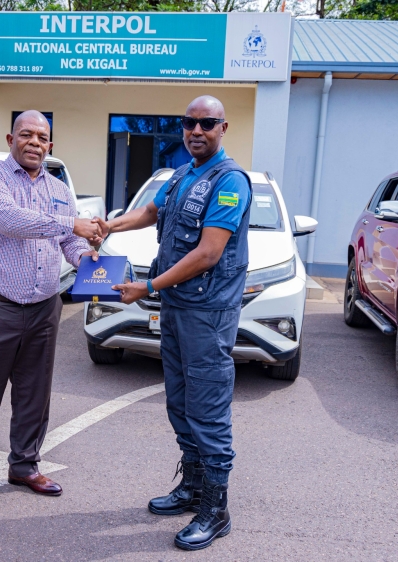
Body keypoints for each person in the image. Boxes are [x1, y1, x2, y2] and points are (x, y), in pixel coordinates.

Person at [98, 96, 251, 551]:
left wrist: (148, 288)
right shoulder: (181, 174)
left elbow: (208, 253)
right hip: (179, 309)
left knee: (208, 409)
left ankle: (216, 509)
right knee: (180, 402)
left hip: (207, 314)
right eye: (189, 123)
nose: (196, 130)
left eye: (206, 123)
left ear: (223, 128)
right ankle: (193, 489)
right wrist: (110, 227)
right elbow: (151, 213)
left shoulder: (231, 182)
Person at [0, 110, 101, 520]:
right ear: (10, 138)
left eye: (42, 136)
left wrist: (89, 259)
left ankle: (24, 466)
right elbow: (12, 222)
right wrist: (74, 224)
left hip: (43, 306)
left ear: (51, 145)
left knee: (35, 393)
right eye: (26, 134)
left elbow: (68, 242)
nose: (34, 142)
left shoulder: (58, 188)